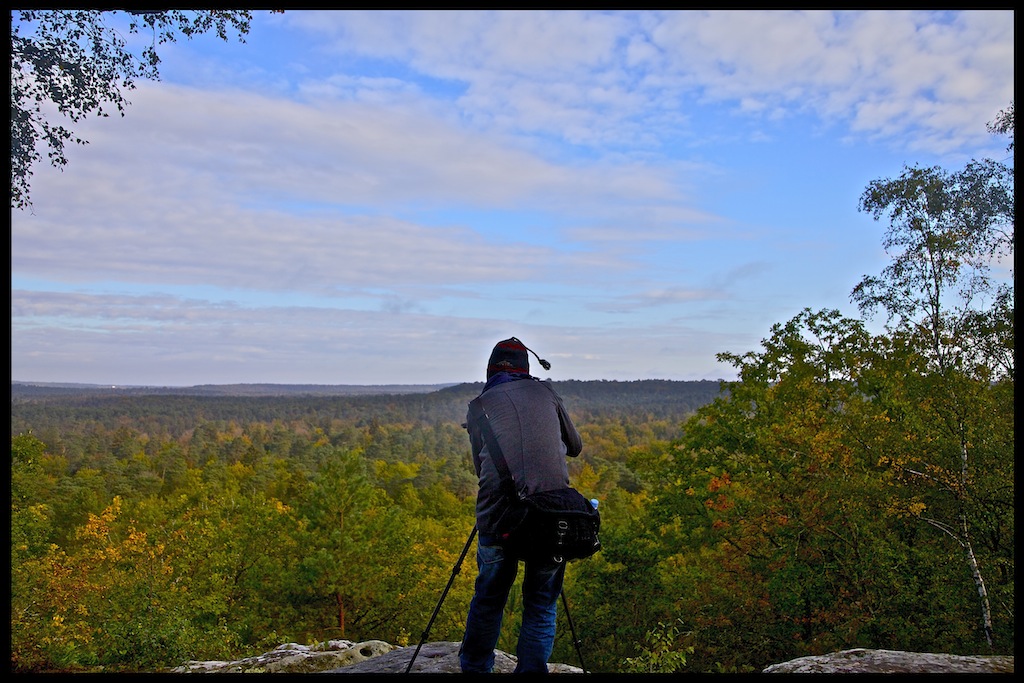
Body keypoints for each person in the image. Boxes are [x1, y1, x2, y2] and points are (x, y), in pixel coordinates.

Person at [459, 337, 583, 674]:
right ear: (526, 370)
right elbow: (575, 446)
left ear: (490, 370)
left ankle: (474, 668)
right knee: (541, 605)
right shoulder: (547, 394)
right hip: (551, 517)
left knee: (488, 601)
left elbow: (478, 466)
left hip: (499, 517)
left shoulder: (480, 405)